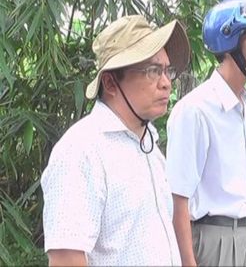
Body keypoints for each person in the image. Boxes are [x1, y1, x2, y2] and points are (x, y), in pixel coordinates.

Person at [41, 15, 191, 266]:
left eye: (167, 71)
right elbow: (67, 258)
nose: (166, 83)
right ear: (110, 82)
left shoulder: (148, 142)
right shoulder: (82, 151)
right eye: (153, 71)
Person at [165, 0, 246, 266]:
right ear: (230, 43)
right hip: (212, 240)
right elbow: (177, 199)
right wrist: (187, 262)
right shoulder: (196, 110)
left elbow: (241, 185)